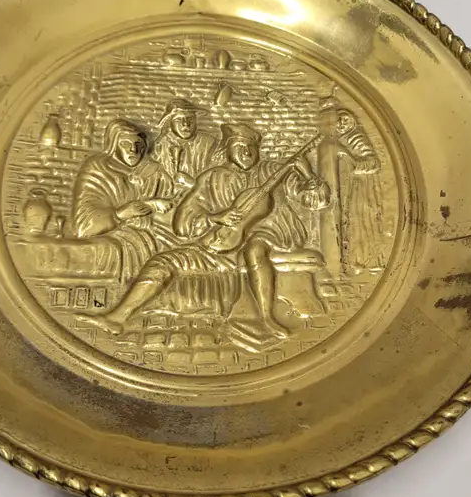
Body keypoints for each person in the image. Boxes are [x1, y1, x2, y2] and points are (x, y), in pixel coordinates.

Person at [74, 123, 329, 339]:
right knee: (162, 263)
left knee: (255, 249)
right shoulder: (212, 178)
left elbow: (316, 201)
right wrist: (216, 216)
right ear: (228, 150)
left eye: (251, 147)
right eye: (239, 147)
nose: (246, 152)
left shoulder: (273, 171)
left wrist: (308, 174)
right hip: (216, 244)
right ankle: (116, 318)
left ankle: (267, 317)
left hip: (272, 235)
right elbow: (183, 223)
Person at [70, 118, 176, 279]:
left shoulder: (155, 171)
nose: (133, 150)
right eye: (125, 144)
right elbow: (83, 225)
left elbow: (172, 204)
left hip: (158, 234)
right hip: (117, 236)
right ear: (114, 145)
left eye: (138, 145)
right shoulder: (98, 169)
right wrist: (119, 214)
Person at [333, 109, 385, 272]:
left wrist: (352, 164)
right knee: (351, 225)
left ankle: (367, 260)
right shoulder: (338, 140)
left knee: (362, 224)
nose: (341, 124)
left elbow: (373, 163)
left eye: (344, 120)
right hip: (349, 188)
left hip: (361, 189)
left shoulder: (356, 138)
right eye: (337, 121)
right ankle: (355, 260)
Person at [151, 97, 221, 188]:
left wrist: (193, 184)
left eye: (190, 119)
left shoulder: (209, 144)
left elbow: (218, 182)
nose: (186, 124)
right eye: (179, 120)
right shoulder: (160, 146)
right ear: (169, 123)